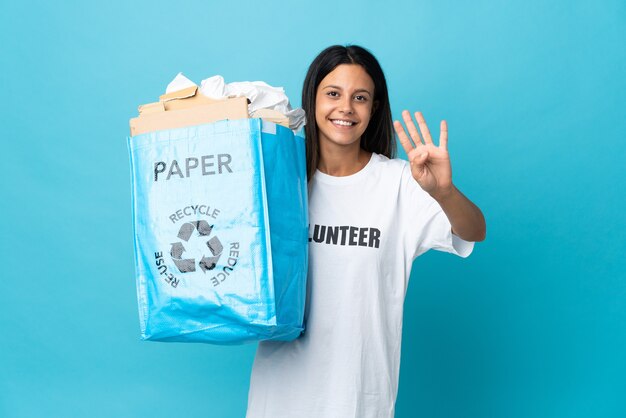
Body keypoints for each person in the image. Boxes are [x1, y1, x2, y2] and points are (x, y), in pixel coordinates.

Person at [245, 44, 486, 418]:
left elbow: (473, 230)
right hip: (278, 397)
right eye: (333, 94)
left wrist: (444, 192)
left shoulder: (400, 182)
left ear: (373, 109)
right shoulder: (280, 178)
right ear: (312, 100)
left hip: (360, 400)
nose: (346, 107)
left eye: (360, 97)